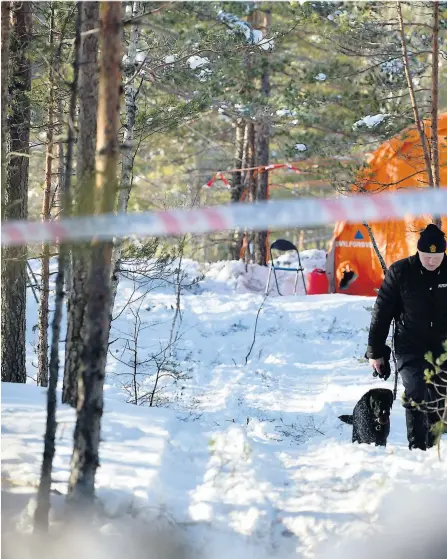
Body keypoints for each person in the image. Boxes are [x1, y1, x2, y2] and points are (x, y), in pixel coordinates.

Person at [366, 223, 447, 450]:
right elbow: (381, 313)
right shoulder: (401, 272)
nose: (432, 261)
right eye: (427, 256)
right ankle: (418, 449)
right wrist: (375, 352)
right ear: (418, 251)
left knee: (439, 395)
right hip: (410, 345)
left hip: (443, 347)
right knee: (415, 391)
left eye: (437, 256)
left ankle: (434, 446)